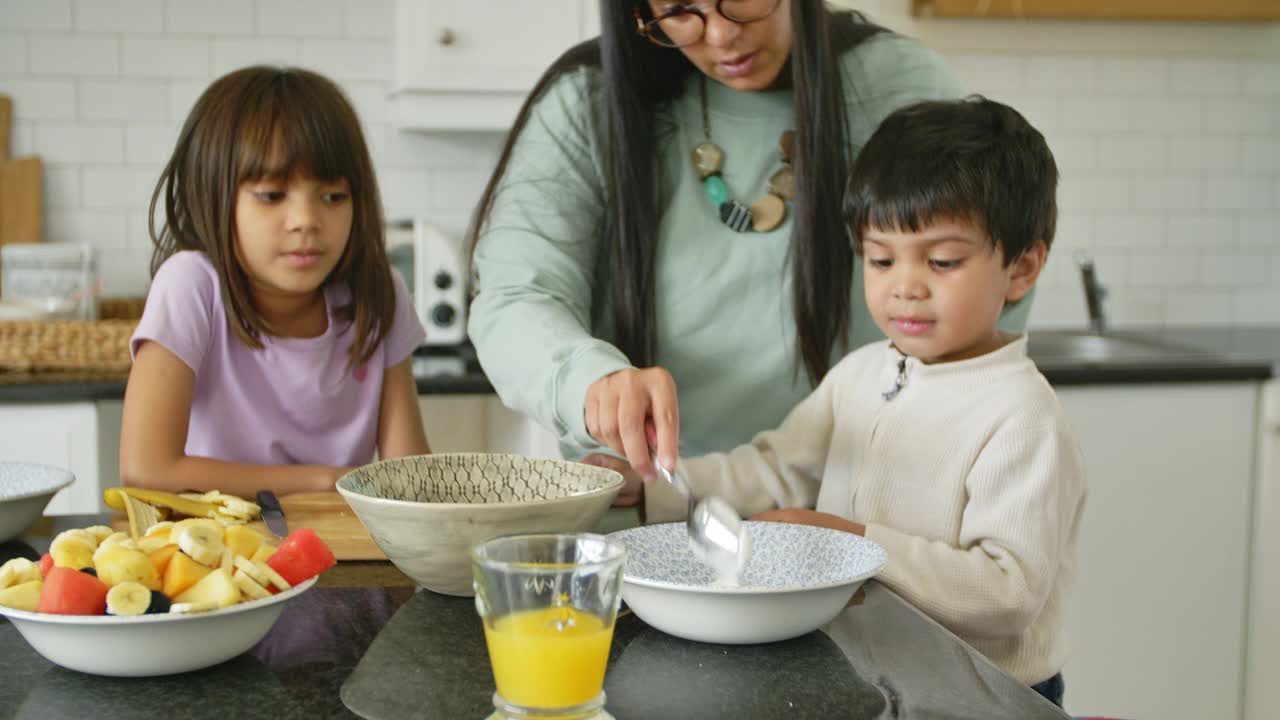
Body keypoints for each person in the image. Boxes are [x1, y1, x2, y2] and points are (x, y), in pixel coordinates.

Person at [609, 97, 1088, 707]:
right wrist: (648, 486)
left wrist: (847, 540)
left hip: (986, 695)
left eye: (942, 261)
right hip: (873, 678)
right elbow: (774, 469)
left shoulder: (1023, 418)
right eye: (881, 258)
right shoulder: (862, 373)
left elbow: (1005, 594)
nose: (905, 286)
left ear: (1021, 269)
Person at [467, 1, 1034, 483]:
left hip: (858, 506)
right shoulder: (586, 103)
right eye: (679, 10)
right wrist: (590, 380)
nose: (720, 35)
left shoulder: (896, 86)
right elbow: (516, 297)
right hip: (649, 505)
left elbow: (990, 273)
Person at [119, 66, 430, 496]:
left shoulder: (379, 293)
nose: (306, 221)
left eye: (333, 197)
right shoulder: (191, 285)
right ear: (213, 194)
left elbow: (410, 479)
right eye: (271, 195)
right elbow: (146, 468)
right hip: (216, 552)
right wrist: (321, 480)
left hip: (338, 547)